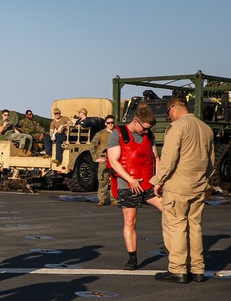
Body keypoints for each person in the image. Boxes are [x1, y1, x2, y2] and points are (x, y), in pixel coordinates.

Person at [150, 95, 215, 283]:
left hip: (178, 186)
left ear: (172, 109)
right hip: (198, 185)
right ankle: (197, 269)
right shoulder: (206, 128)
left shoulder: (177, 127)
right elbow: (211, 162)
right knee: (195, 226)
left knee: (176, 226)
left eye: (168, 113)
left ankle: (178, 269)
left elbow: (169, 159)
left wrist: (158, 181)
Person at [107, 104, 163, 270]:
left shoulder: (149, 135)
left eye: (148, 130)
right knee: (130, 220)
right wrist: (130, 180)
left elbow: (156, 158)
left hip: (149, 183)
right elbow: (114, 161)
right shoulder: (118, 134)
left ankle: (171, 244)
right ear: (136, 122)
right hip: (128, 184)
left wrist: (158, 181)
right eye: (144, 128)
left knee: (170, 211)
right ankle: (132, 257)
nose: (146, 132)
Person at [90, 115, 115, 205]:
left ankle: (114, 198)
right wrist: (96, 158)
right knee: (103, 179)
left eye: (112, 122)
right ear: (105, 124)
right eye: (108, 123)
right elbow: (93, 145)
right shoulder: (100, 134)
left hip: (116, 159)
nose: (110, 124)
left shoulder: (117, 133)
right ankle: (102, 198)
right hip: (104, 158)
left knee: (114, 179)